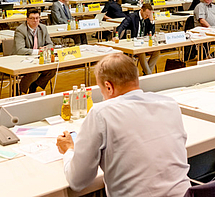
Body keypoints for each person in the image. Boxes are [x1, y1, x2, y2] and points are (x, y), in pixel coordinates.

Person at [56, 53, 190, 197]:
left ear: (108, 87)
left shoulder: (101, 113)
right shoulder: (169, 104)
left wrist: (69, 150)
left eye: (102, 91)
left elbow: (78, 181)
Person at [13, 10, 56, 93]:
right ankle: (19, 89)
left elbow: (50, 44)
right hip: (23, 58)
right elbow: (19, 50)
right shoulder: (20, 30)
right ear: (27, 19)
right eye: (32, 18)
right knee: (33, 72)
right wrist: (37, 52)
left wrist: (46, 48)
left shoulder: (43, 28)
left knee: (52, 70)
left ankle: (34, 85)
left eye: (37, 18)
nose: (35, 21)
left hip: (38, 58)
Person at [115, 4, 160, 74]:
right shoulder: (132, 17)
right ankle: (149, 74)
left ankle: (147, 72)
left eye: (149, 15)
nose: (147, 17)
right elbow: (122, 26)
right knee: (141, 52)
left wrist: (152, 21)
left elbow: (152, 33)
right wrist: (117, 36)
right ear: (141, 10)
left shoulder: (148, 18)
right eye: (146, 15)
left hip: (143, 42)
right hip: (133, 43)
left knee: (156, 52)